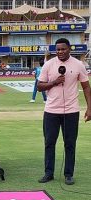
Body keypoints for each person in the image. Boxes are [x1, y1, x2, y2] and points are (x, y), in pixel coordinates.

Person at [37, 38, 91, 185]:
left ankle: (68, 174)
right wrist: (54, 82)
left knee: (70, 143)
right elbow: (39, 86)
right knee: (49, 143)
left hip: (71, 111)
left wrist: (89, 108)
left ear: (69, 49)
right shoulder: (49, 64)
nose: (60, 52)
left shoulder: (78, 65)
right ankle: (49, 173)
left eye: (63, 49)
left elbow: (86, 87)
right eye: (58, 49)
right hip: (51, 111)